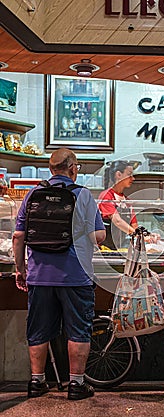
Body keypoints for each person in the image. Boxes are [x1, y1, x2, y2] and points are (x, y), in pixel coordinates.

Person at [12, 148, 106, 400]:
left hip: (39, 276)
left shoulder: (33, 194)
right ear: (73, 167)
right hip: (75, 276)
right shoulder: (83, 195)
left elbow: (18, 236)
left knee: (38, 329)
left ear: (51, 169)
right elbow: (98, 236)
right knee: (78, 329)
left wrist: (20, 270)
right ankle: (76, 384)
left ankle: (36, 382)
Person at [98, 160, 159, 250]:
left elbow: (134, 226)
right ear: (118, 175)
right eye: (129, 174)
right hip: (105, 249)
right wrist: (140, 236)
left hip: (120, 248)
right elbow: (118, 222)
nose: (133, 178)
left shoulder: (127, 201)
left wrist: (148, 234)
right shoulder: (106, 196)